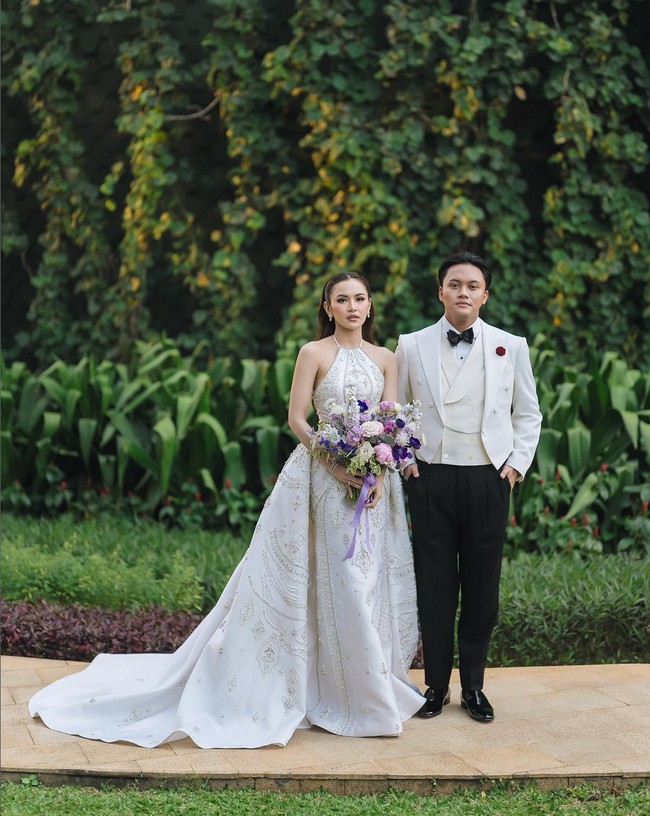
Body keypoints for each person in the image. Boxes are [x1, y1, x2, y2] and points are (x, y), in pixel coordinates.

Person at [29, 272, 425, 748]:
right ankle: (336, 695)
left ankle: (365, 688)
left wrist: (378, 470)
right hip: (321, 478)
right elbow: (297, 418)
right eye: (342, 299)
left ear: (370, 305)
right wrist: (336, 465)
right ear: (328, 307)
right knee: (330, 577)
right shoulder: (312, 353)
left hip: (372, 487)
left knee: (366, 578)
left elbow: (388, 421)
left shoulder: (386, 359)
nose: (353, 307)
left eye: (360, 298)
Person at [396, 250, 542, 723]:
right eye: (454, 284)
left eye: (472, 285)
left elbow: (528, 414)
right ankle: (435, 686)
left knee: (482, 588)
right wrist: (404, 460)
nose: (463, 292)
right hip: (431, 477)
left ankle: (474, 687)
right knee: (435, 587)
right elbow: (394, 410)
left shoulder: (511, 345)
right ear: (440, 291)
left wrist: (516, 465)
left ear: (485, 294)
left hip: (487, 477)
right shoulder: (411, 344)